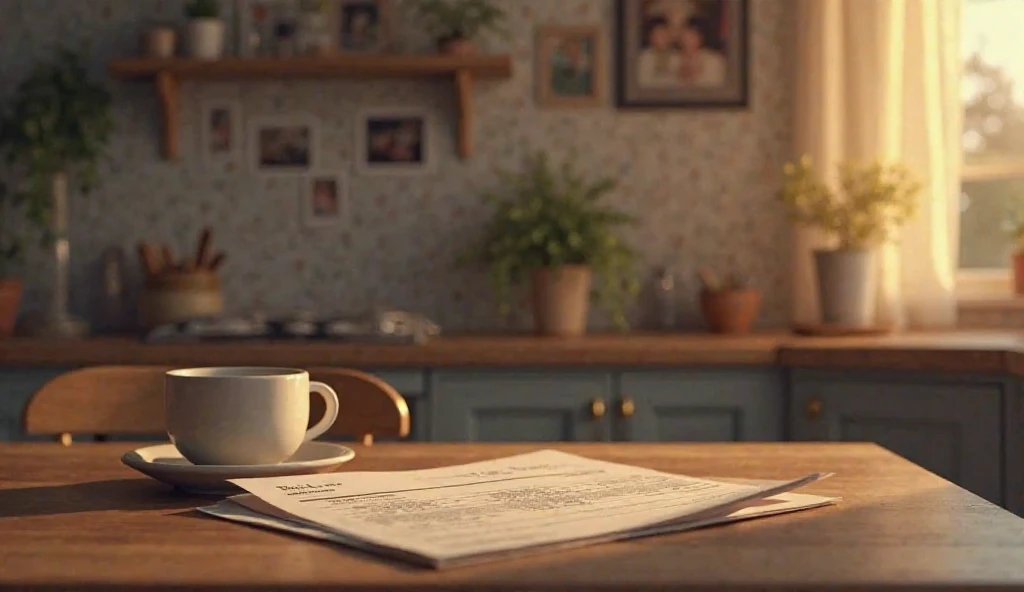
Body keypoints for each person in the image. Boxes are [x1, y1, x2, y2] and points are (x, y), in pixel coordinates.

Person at [676, 16, 727, 87]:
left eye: (692, 35)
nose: (686, 39)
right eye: (684, 34)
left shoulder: (714, 60)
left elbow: (712, 85)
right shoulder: (675, 58)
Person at [637, 17, 682, 89]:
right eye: (657, 35)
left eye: (664, 34)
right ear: (650, 37)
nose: (662, 38)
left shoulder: (678, 57)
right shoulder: (644, 58)